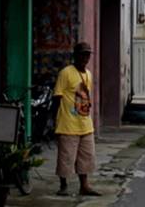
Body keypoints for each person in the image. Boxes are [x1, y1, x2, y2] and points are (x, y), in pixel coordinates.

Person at [53, 41, 101, 197]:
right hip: (68, 123)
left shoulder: (88, 74)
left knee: (86, 157)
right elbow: (57, 98)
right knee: (66, 157)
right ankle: (63, 185)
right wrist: (55, 122)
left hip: (85, 123)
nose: (85, 58)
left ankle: (84, 185)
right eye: (82, 54)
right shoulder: (65, 73)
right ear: (75, 55)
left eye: (87, 55)